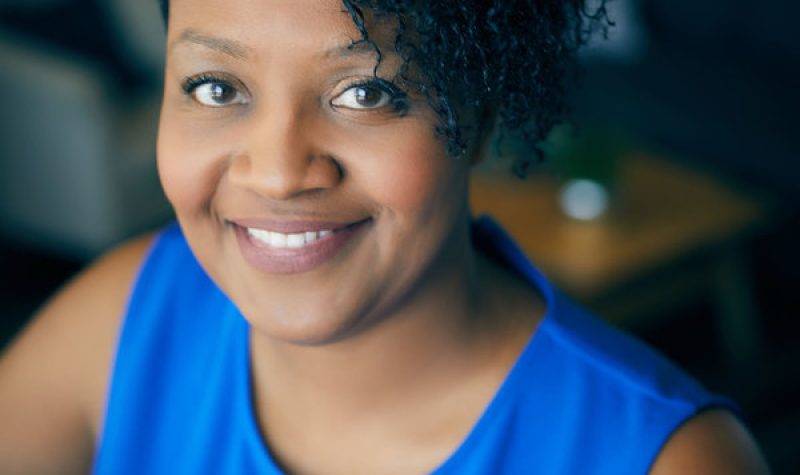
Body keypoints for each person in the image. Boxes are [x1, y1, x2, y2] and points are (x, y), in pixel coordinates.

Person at [0, 0, 770, 474]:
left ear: (480, 119)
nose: (275, 171)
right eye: (215, 87)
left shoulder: (666, 458)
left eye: (366, 92)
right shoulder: (130, 314)